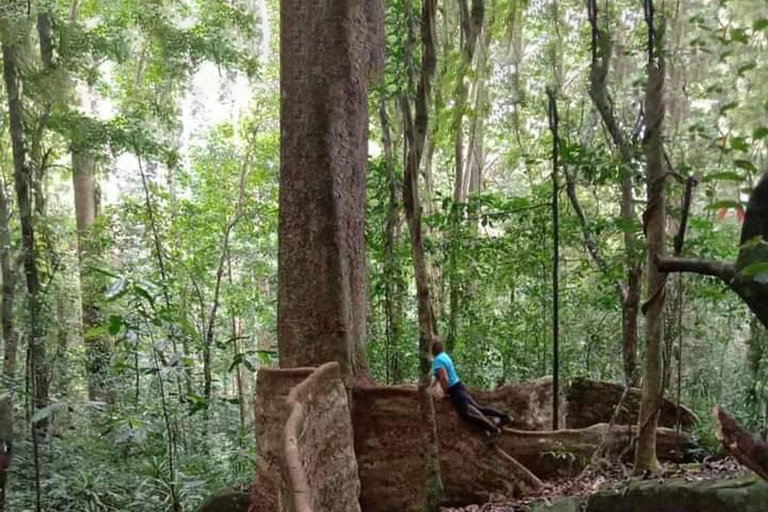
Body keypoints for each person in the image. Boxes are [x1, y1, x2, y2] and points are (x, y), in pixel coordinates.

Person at [429, 338, 511, 444]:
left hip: (454, 390)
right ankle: (504, 417)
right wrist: (430, 388)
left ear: (432, 350)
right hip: (459, 386)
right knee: (478, 408)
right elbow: (436, 375)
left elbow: (444, 378)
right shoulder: (444, 356)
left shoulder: (438, 360)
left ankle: (493, 430)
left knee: (466, 415)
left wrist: (445, 393)